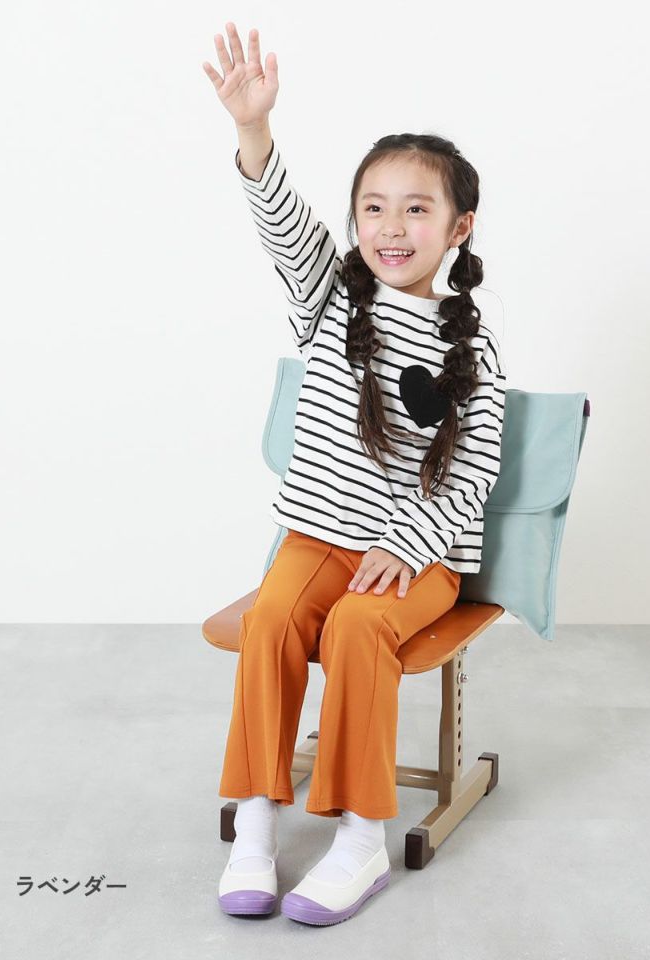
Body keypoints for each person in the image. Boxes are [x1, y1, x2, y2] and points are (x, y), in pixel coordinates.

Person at [202, 24, 507, 926]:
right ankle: (257, 822)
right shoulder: (332, 299)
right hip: (316, 539)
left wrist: (405, 545)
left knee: (360, 627)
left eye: (415, 209)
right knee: (271, 623)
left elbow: (474, 472)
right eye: (373, 208)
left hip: (419, 559)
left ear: (458, 227)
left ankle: (360, 837)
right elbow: (282, 222)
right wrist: (254, 129)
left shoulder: (473, 348)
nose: (391, 227)